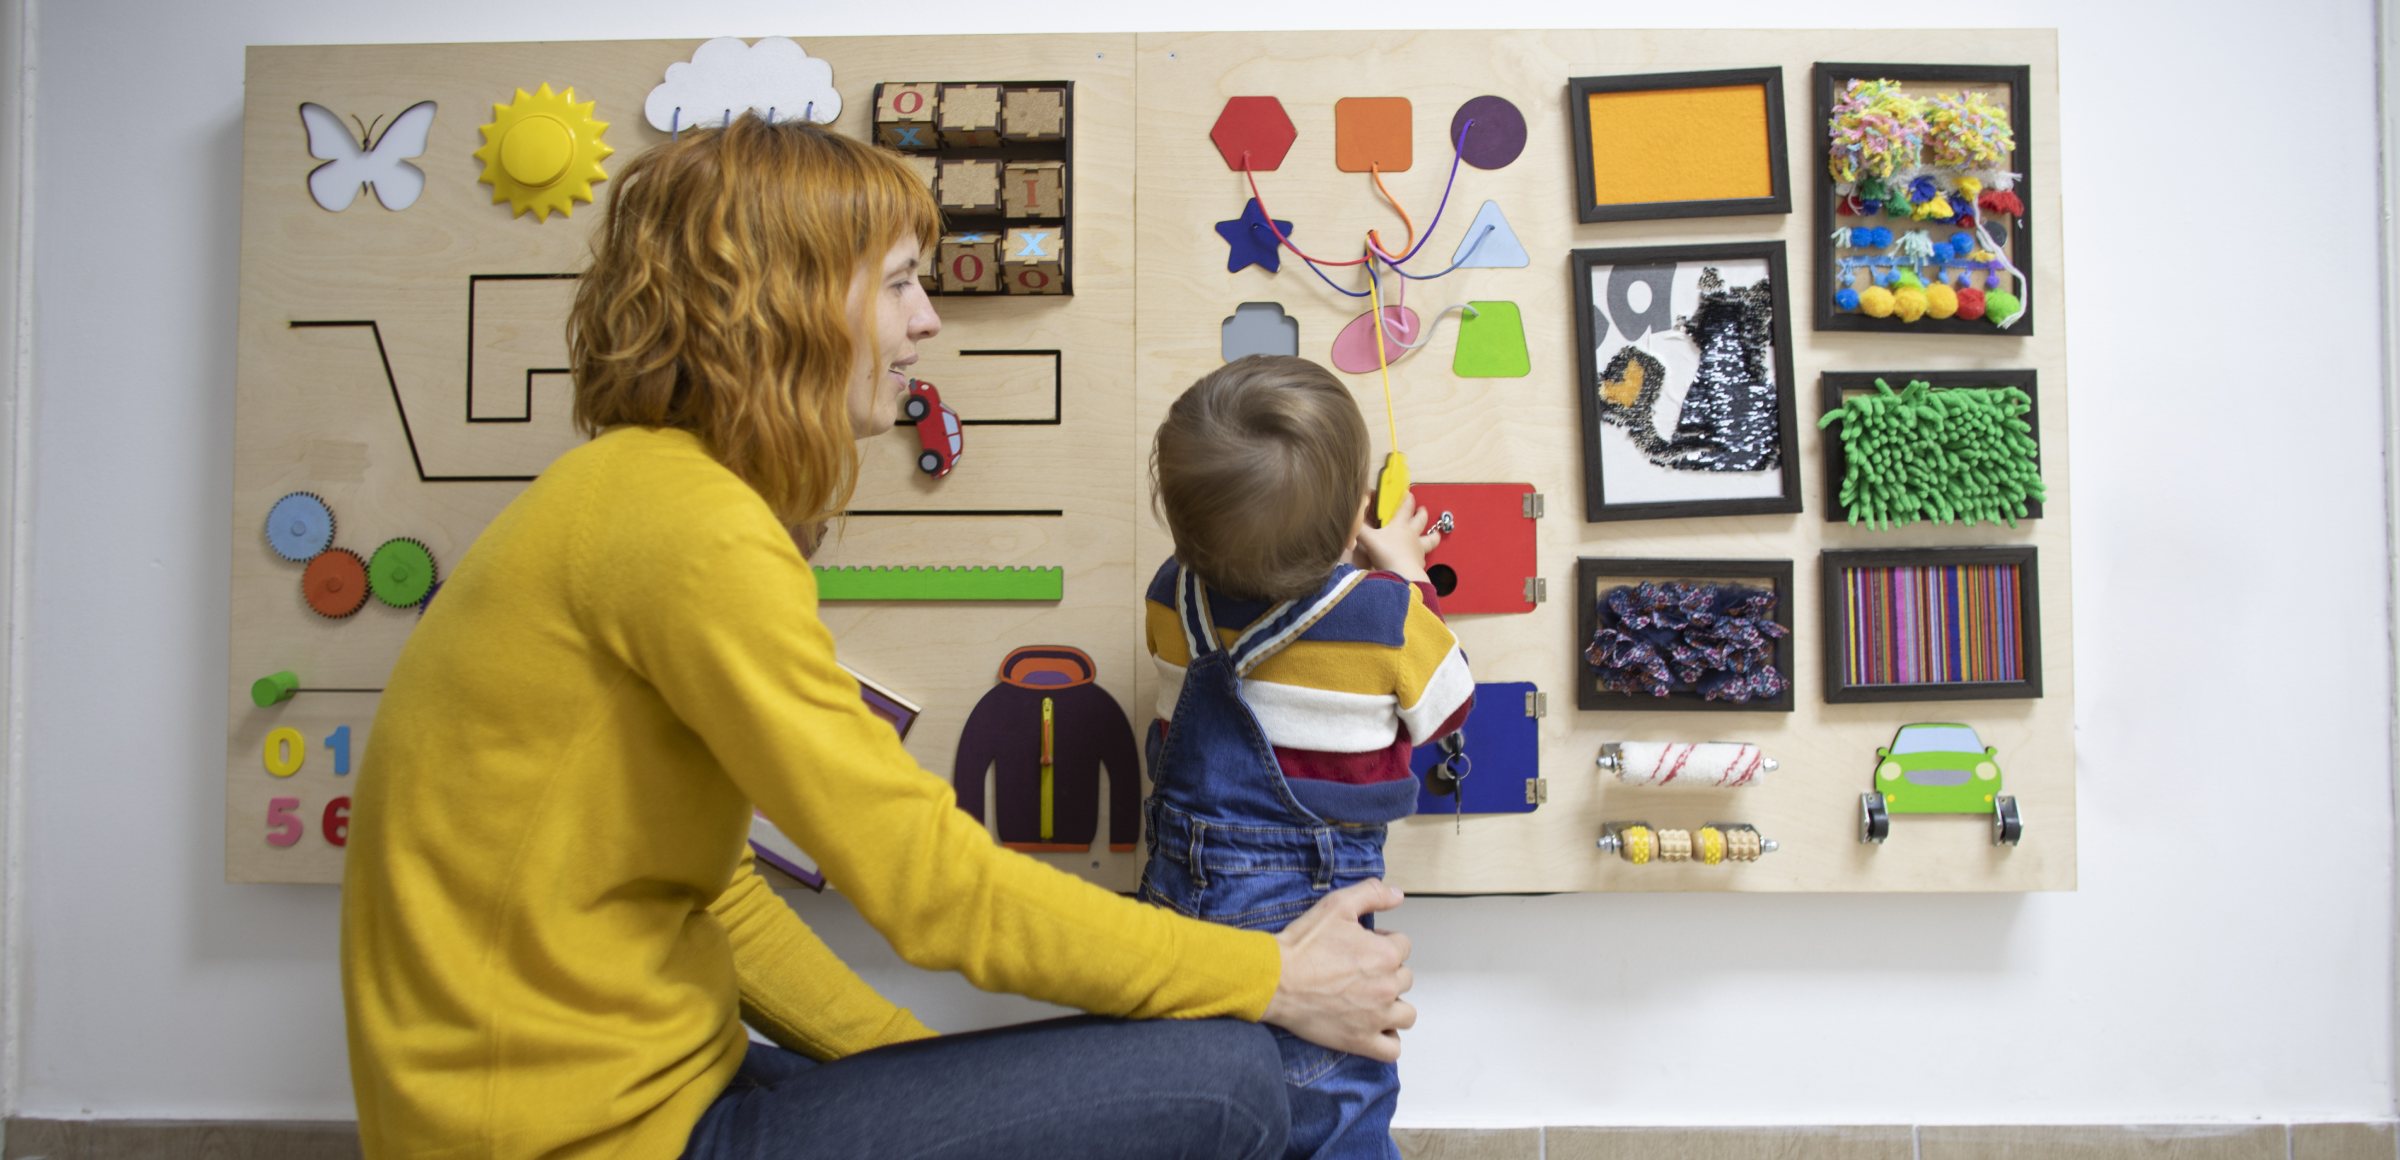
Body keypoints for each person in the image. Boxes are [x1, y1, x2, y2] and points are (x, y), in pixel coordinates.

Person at [339, 117, 1415, 1160]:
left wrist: (933, 1091)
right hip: (569, 1138)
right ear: (791, 305)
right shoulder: (689, 530)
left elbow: (719, 890)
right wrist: (1270, 975)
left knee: (1111, 1081)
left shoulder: (639, 494)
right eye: (901, 282)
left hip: (636, 1094)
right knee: (1230, 1077)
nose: (926, 321)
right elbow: (930, 886)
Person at [1139, 356, 1475, 1160]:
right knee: (1332, 1119)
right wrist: (1407, 576)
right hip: (1317, 913)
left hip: (1180, 907)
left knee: (1196, 1116)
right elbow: (1451, 702)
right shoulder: (1385, 615)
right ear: (1348, 522)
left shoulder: (1166, 593)